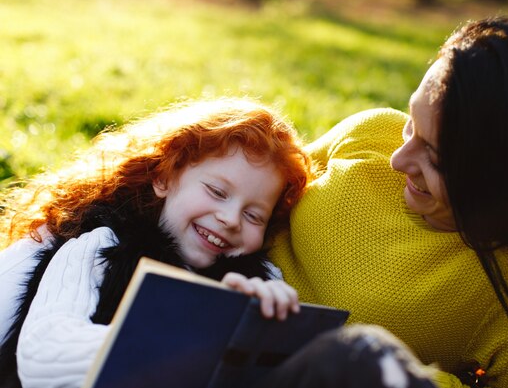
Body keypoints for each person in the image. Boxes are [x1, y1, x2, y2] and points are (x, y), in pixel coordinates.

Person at [268, 17, 508, 387]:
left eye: (436, 160)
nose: (399, 159)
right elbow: (248, 191)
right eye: (412, 123)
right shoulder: (370, 132)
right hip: (215, 312)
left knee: (359, 356)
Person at [0, 98, 311, 388]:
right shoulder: (98, 248)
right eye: (217, 192)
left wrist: (267, 319)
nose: (231, 219)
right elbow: (43, 352)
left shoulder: (260, 280)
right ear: (164, 178)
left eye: (254, 215)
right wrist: (181, 349)